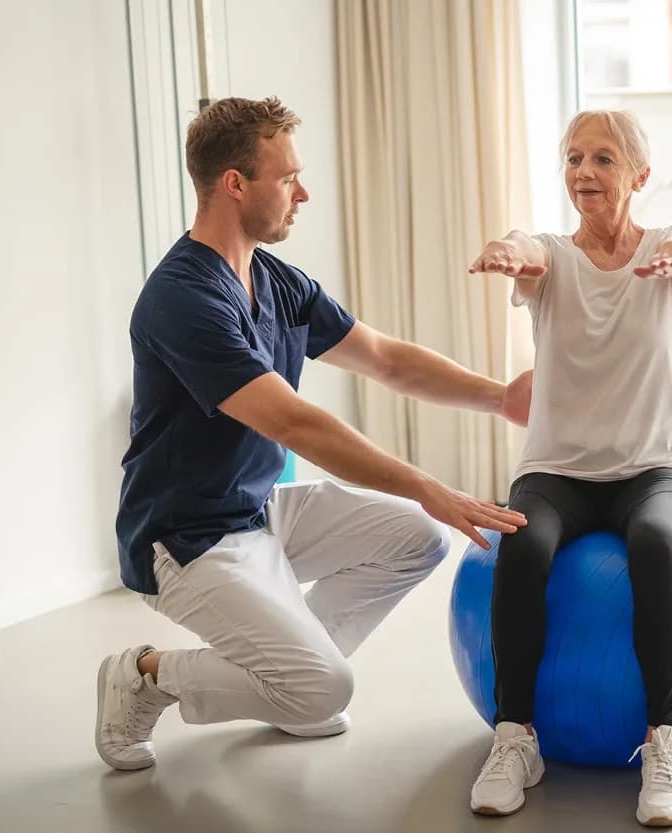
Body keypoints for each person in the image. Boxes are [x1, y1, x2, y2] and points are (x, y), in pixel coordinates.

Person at [94, 96, 529, 772]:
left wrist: (499, 397)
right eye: (288, 176)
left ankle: (288, 685)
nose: (305, 192)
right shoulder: (183, 298)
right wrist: (428, 483)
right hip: (183, 536)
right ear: (234, 183)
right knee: (326, 688)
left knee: (416, 537)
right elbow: (293, 422)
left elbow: (383, 357)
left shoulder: (275, 280)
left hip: (258, 510)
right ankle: (147, 673)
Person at [466, 110, 672, 827]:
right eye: (573, 158)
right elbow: (528, 249)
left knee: (652, 541)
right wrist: (505, 249)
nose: (583, 173)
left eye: (602, 159)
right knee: (523, 541)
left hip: (659, 465)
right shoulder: (549, 257)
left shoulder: (668, 250)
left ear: (638, 175)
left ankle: (665, 743)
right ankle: (515, 738)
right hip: (558, 470)